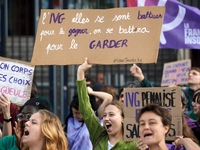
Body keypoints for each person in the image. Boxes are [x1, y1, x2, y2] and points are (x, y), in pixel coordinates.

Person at [77, 58, 137, 149]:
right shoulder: (98, 134)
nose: (106, 118)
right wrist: (80, 71)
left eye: (111, 114)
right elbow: (85, 108)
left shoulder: (133, 144)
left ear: (123, 118)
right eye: (104, 115)